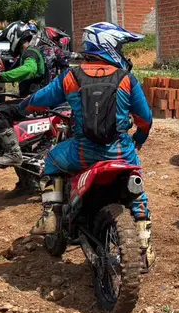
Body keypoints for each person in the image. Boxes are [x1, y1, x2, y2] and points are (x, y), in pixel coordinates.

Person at [19, 22, 156, 270]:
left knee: (51, 159)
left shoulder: (72, 77)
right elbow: (145, 119)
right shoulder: (127, 79)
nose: (123, 53)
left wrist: (22, 106)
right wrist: (138, 140)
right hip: (121, 150)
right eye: (120, 47)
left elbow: (40, 99)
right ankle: (145, 245)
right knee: (137, 189)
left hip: (82, 151)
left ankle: (51, 215)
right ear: (108, 46)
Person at [0, 21, 47, 179]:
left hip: (34, 100)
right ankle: (26, 183)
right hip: (34, 99)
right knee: (22, 142)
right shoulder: (29, 53)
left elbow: (29, 69)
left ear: (15, 37)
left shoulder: (30, 52)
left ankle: (13, 153)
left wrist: (0, 76)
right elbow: (12, 72)